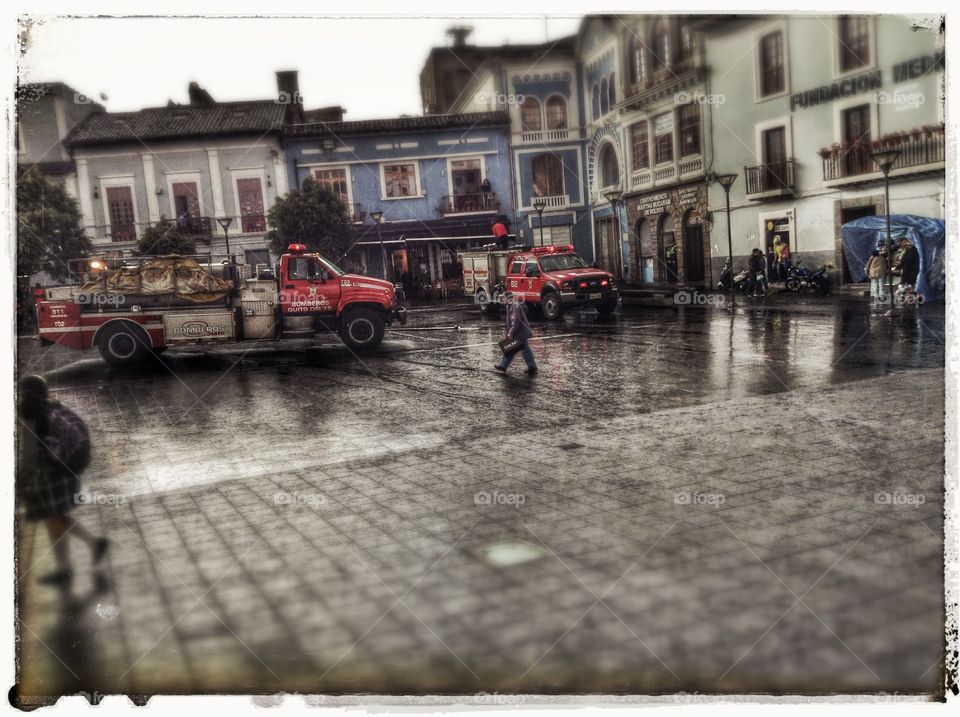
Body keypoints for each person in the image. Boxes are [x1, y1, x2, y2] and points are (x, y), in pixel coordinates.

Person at [17, 375, 108, 587]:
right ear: (45, 392)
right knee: (57, 518)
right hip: (67, 470)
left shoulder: (31, 414)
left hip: (51, 474)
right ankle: (91, 546)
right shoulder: (56, 407)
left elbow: (29, 455)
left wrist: (21, 484)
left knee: (54, 521)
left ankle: (65, 569)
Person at [495, 291, 537, 376]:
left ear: (507, 298)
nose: (503, 299)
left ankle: (503, 366)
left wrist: (510, 333)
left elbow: (516, 321)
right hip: (518, 332)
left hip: (520, 332)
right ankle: (532, 367)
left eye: (504, 297)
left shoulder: (514, 306)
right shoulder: (509, 306)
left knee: (513, 348)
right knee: (521, 349)